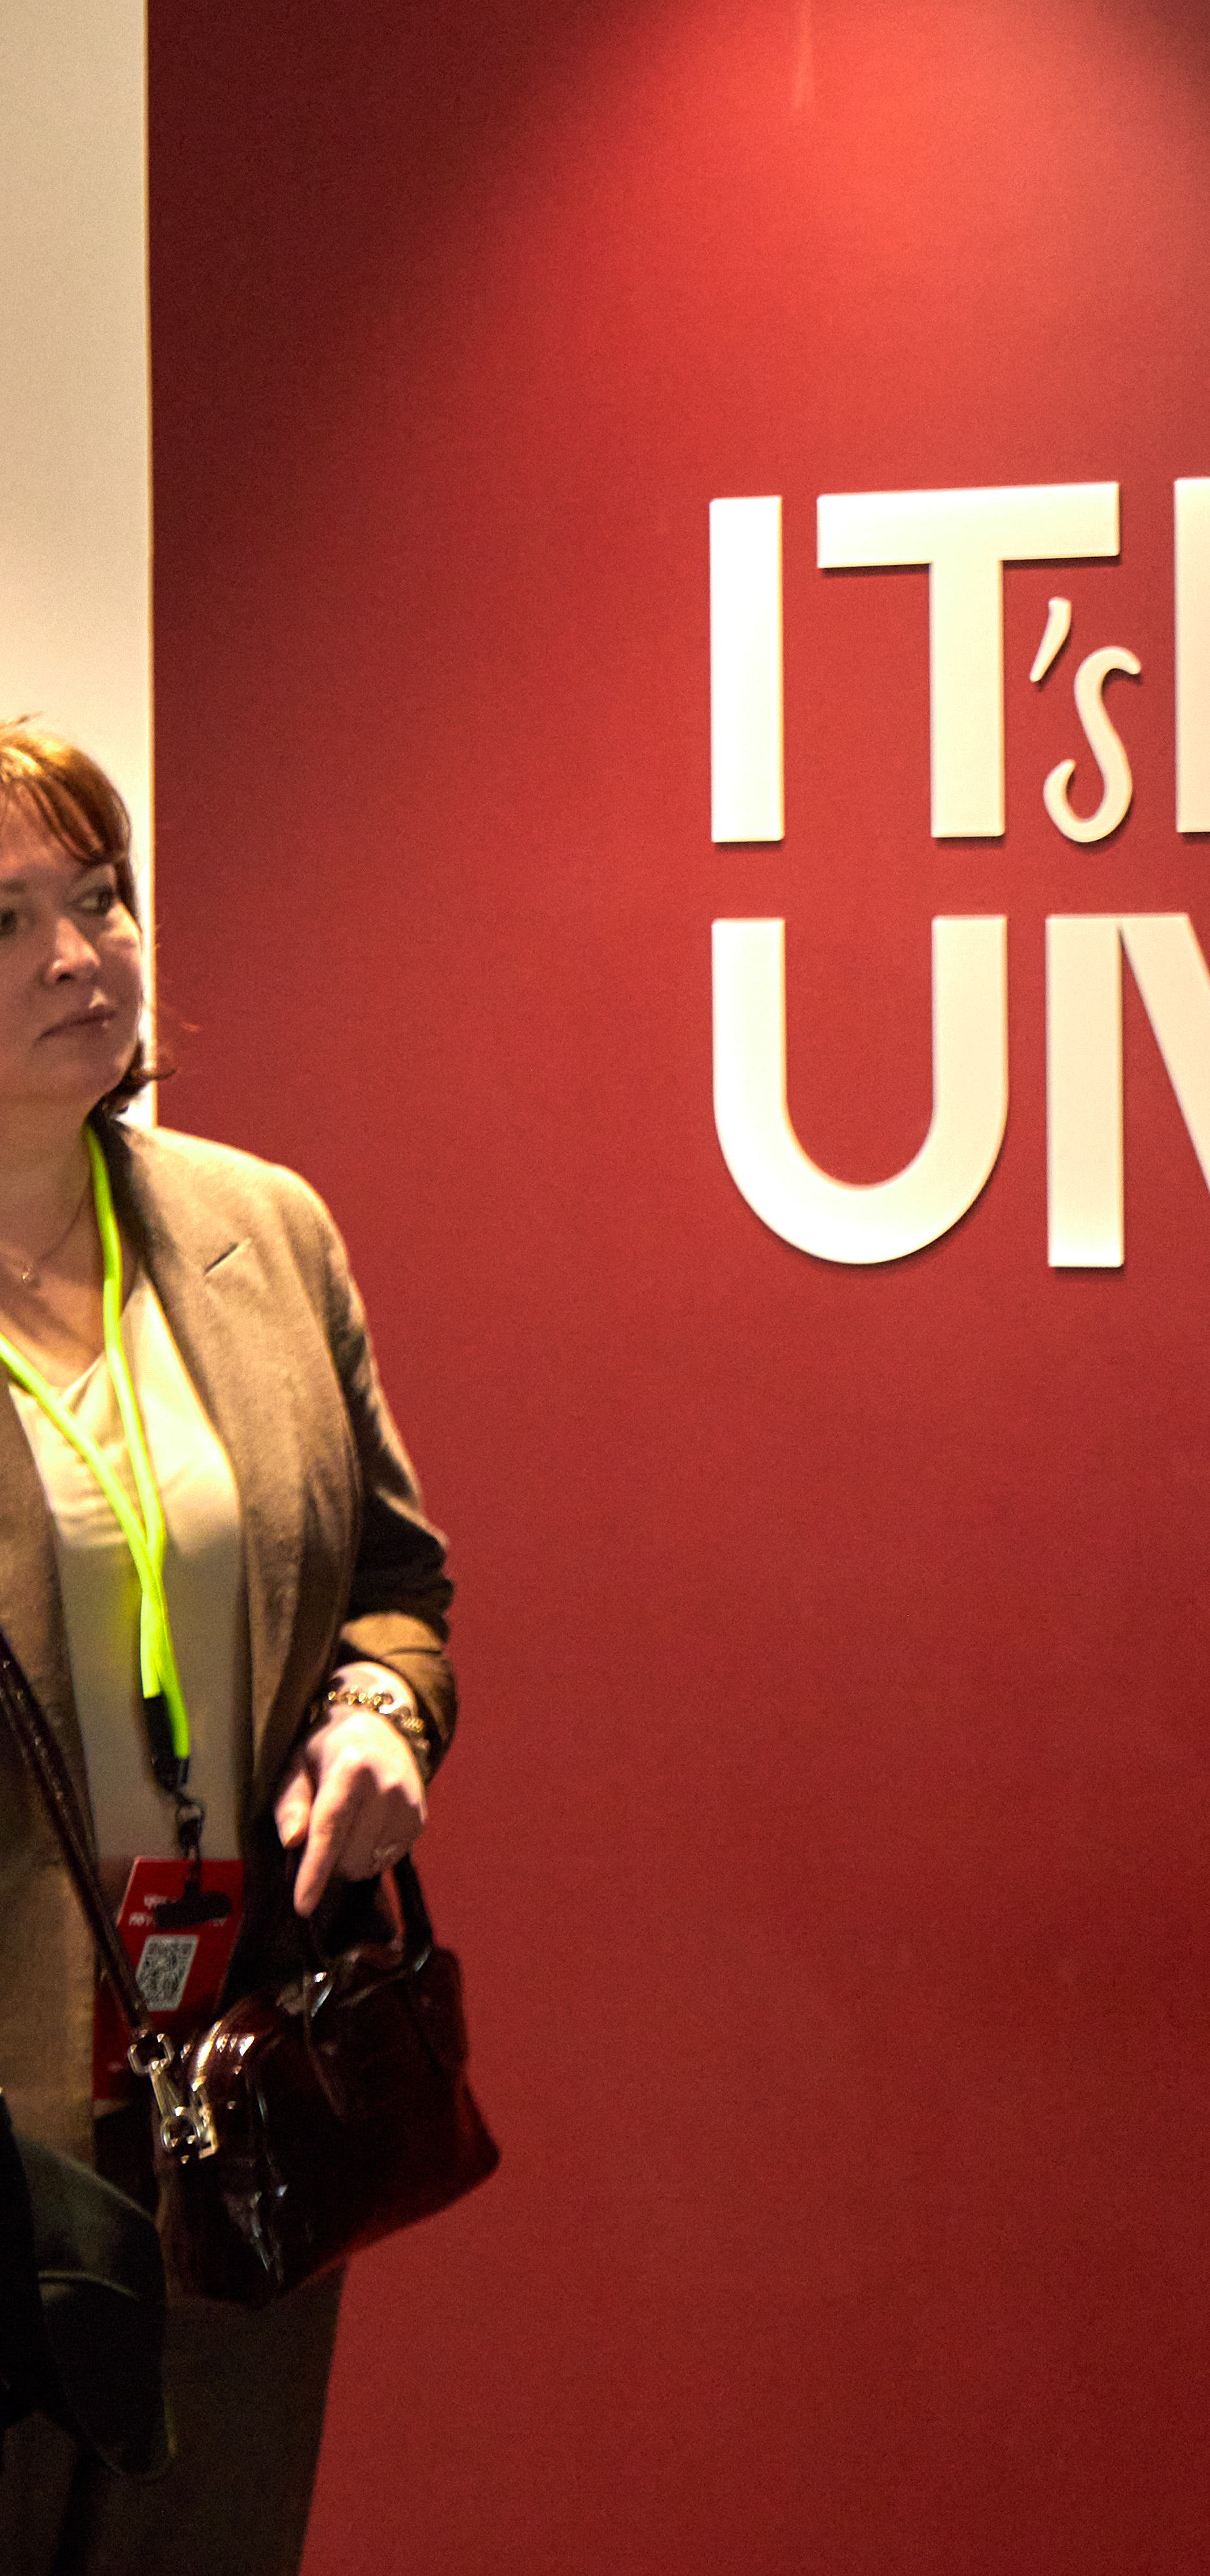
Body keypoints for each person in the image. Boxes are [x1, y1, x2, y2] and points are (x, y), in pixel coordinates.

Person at [0, 724, 452, 2576]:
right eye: (5, 919)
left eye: (100, 897)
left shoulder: (265, 1229)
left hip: (231, 2094)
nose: (79, 956)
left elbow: (393, 1583)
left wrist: (378, 1711)